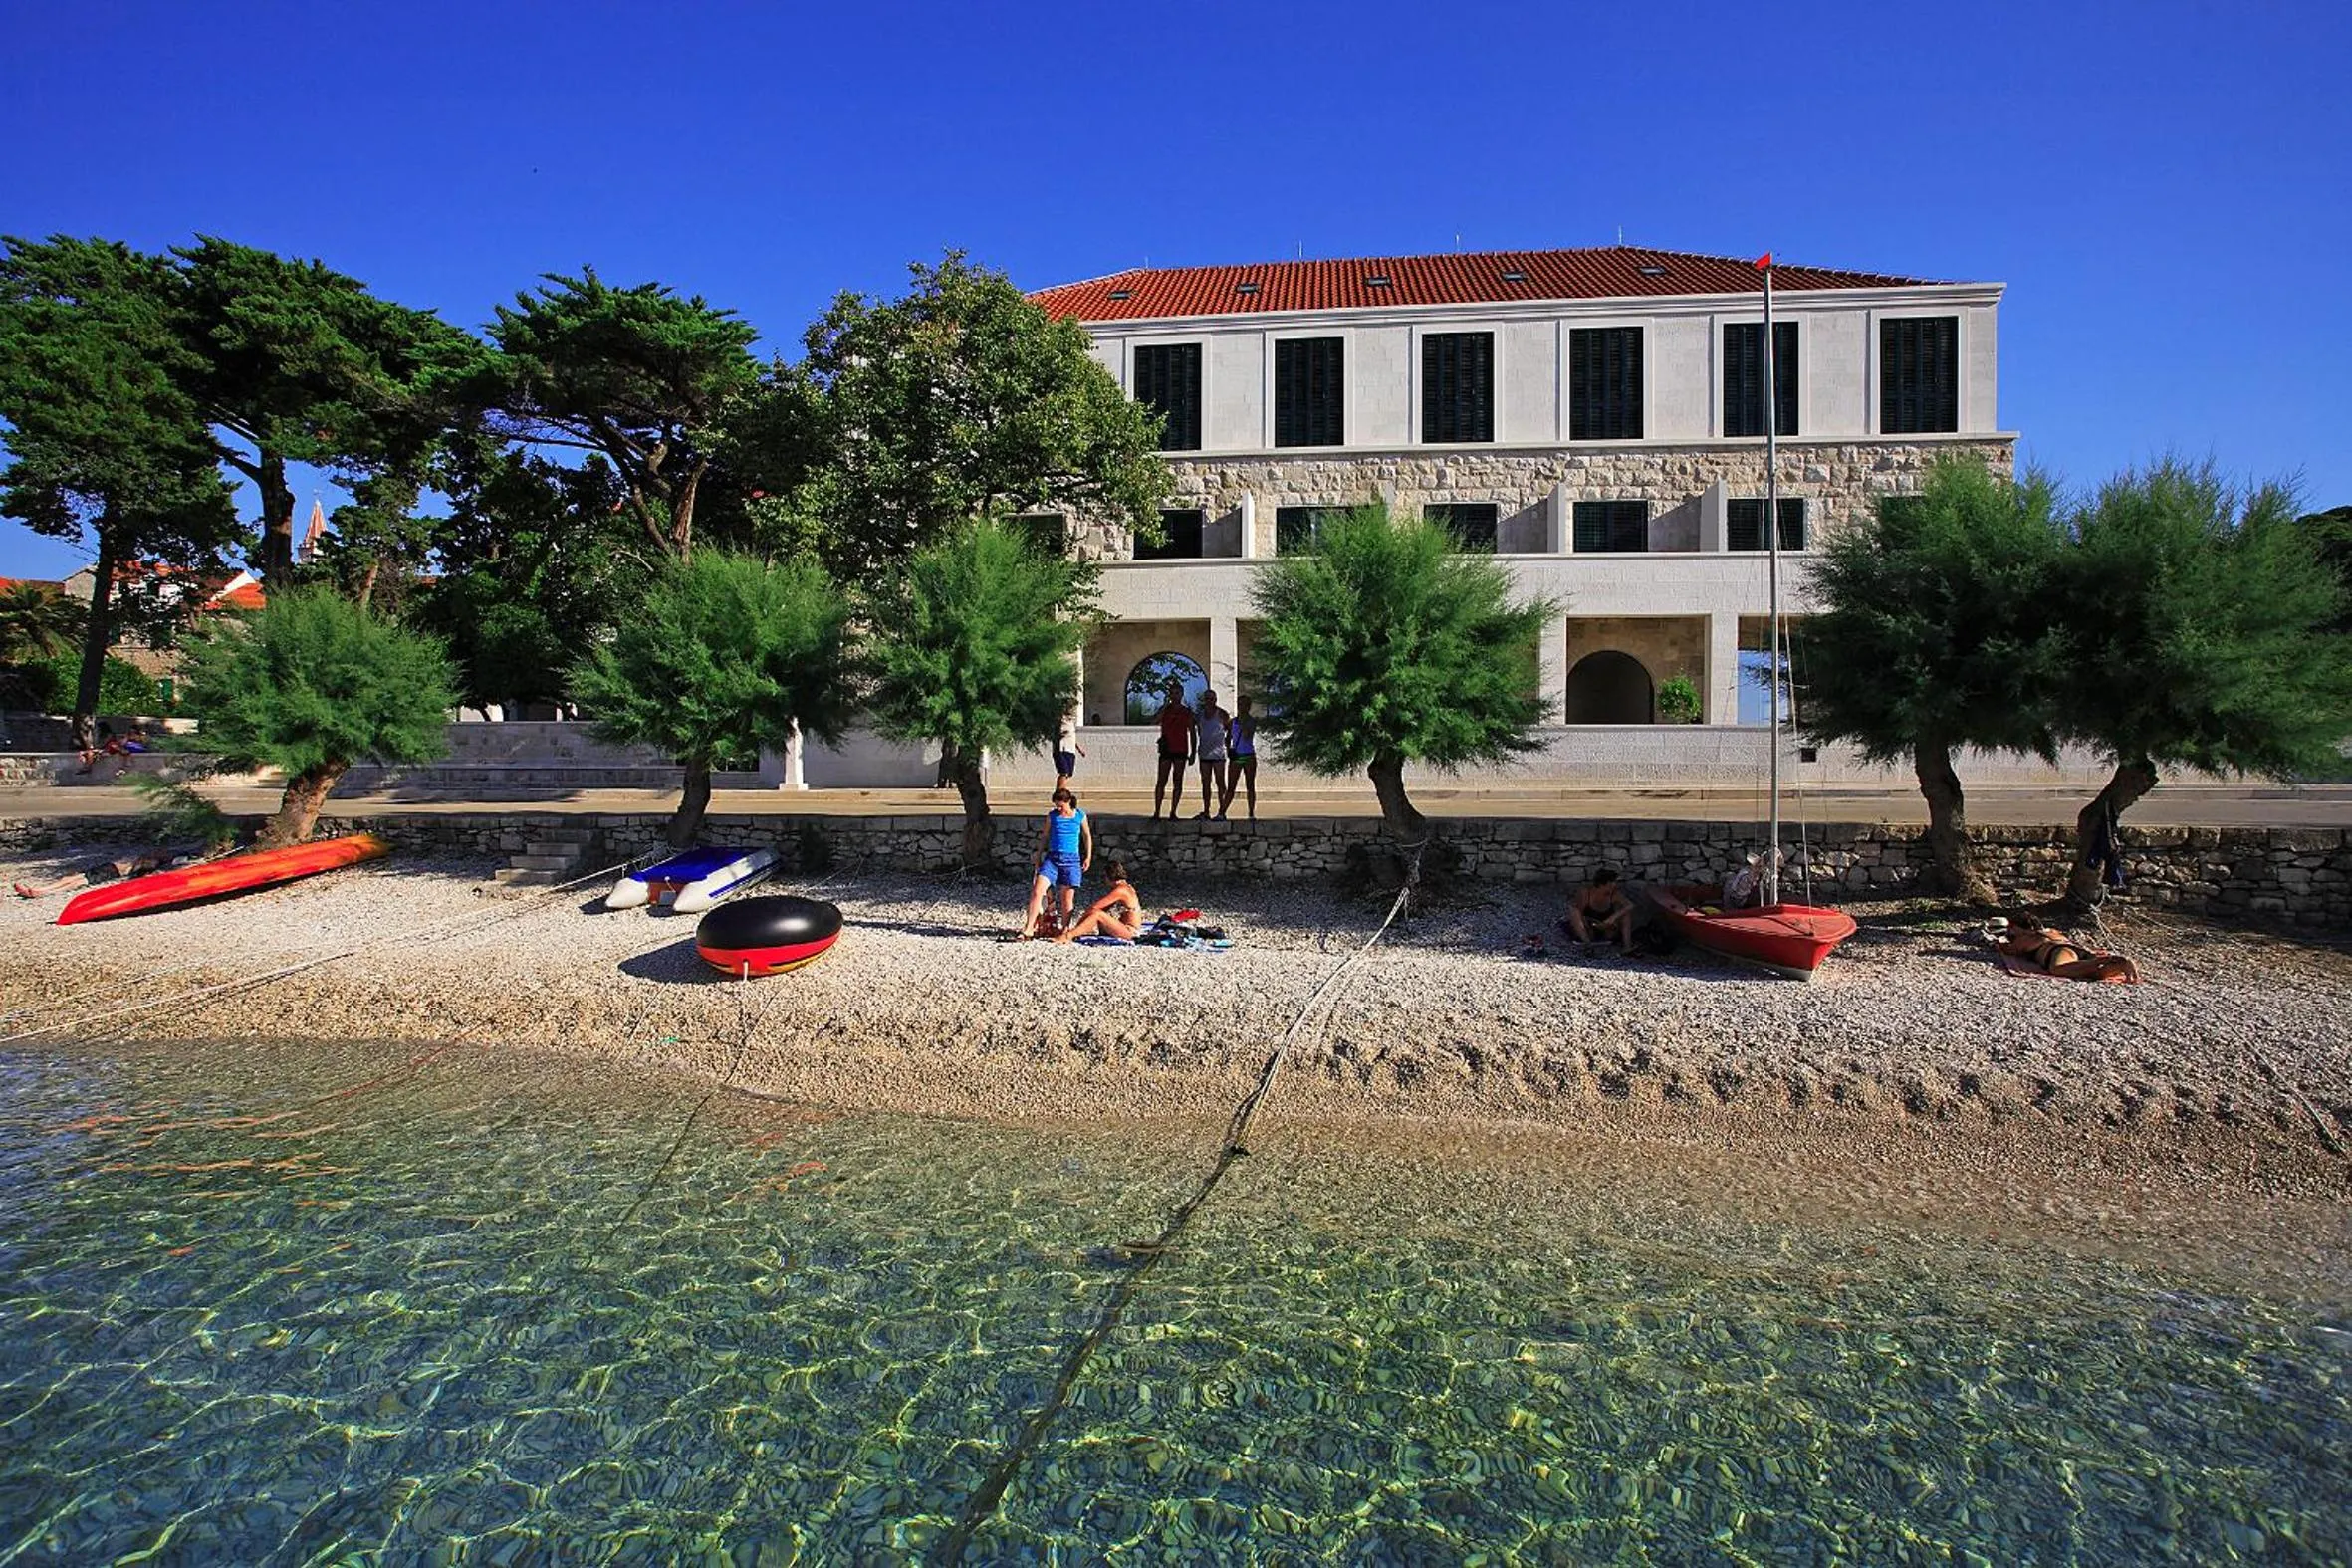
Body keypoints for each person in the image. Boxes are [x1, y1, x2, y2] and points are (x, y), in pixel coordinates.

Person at [1016, 788, 1092, 939]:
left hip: (1072, 860)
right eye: (1056, 806)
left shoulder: (1080, 816)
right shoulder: (1052, 817)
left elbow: (1087, 836)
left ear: (1068, 802)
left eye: (1060, 806)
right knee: (1037, 890)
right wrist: (1038, 856)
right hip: (1052, 859)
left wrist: (1088, 857)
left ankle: (1065, 930)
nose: (1058, 809)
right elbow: (1044, 837)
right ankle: (1028, 927)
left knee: (1067, 897)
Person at [1991, 918, 2140, 983]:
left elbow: (2011, 950)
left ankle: (2105, 960)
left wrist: (2000, 944)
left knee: (2057, 968)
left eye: (2013, 929)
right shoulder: (2053, 932)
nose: (2011, 933)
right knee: (2095, 974)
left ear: (2020, 928)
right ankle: (2120, 965)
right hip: (2076, 951)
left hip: (2059, 951)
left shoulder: (2031, 937)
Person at [15, 844, 187, 899]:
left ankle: (40, 892)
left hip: (107, 872)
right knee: (70, 879)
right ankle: (40, 889)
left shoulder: (147, 863)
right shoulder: (145, 859)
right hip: (105, 868)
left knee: (73, 882)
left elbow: (173, 863)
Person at [1056, 860, 1144, 943]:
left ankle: (1068, 936)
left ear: (1110, 876)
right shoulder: (1126, 887)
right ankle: (1073, 932)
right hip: (1125, 928)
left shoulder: (1121, 890)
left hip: (1130, 931)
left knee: (1097, 914)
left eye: (1104, 877)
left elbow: (1095, 907)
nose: (1104, 880)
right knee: (1097, 913)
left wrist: (1077, 925)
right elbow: (1103, 907)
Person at [1564, 868, 1637, 954]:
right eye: (1610, 885)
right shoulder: (1586, 893)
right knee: (1573, 910)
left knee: (1625, 914)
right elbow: (1579, 912)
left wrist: (1612, 918)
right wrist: (1591, 925)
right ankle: (1588, 944)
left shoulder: (1614, 894)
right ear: (1601, 885)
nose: (1613, 887)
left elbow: (1630, 905)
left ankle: (1627, 946)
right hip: (1589, 927)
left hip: (1607, 928)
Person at [1151, 682, 1195, 820]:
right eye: (1173, 693)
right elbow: (1154, 720)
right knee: (1161, 781)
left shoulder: (1187, 712)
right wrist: (1164, 707)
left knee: (1178, 781)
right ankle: (1157, 812)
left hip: (1181, 749)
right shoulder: (1165, 710)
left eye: (1177, 693)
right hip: (1166, 749)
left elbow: (1193, 732)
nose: (1175, 696)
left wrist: (1193, 752)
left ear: (1182, 694)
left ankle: (1173, 812)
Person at [1192, 689, 1230, 820]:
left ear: (1215, 699)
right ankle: (1206, 811)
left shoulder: (1222, 714)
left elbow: (1229, 729)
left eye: (1211, 698)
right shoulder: (1200, 715)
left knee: (1220, 783)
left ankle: (1222, 811)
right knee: (1205, 783)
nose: (1209, 701)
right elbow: (1198, 731)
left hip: (1218, 754)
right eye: (1207, 698)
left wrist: (1227, 744)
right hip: (1204, 754)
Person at [1222, 695, 1260, 821]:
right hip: (1237, 756)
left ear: (1248, 707)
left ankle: (1251, 813)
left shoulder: (1251, 721)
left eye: (1244, 704)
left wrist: (1243, 723)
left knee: (1250, 785)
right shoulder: (1233, 722)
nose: (1241, 707)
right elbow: (1227, 738)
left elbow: (1247, 735)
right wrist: (1229, 749)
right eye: (1239, 704)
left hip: (1248, 755)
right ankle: (1222, 812)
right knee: (1231, 786)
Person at [1053, 714, 1086, 787]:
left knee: (1068, 774)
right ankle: (1060, 793)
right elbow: (1055, 734)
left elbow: (1072, 737)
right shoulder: (1060, 720)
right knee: (1064, 772)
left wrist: (1079, 749)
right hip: (1062, 749)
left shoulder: (1071, 723)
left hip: (1071, 750)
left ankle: (1062, 790)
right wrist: (1061, 734)